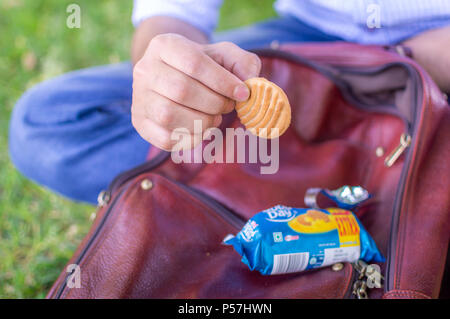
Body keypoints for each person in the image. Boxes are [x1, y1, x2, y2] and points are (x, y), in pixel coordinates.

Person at [9, 0, 450, 204]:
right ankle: (386, 189)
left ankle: (268, 187)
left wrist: (386, 70)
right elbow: (174, 13)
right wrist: (169, 69)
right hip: (308, 36)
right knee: (46, 124)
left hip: (438, 52)